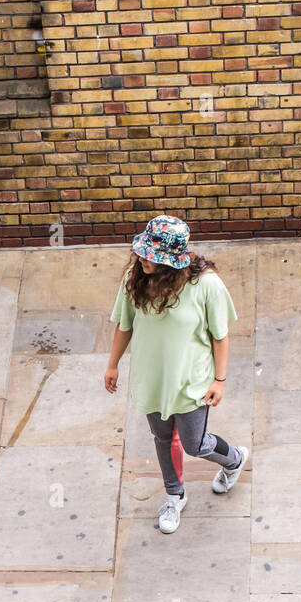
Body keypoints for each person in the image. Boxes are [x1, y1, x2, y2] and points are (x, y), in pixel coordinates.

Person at [103, 215, 249, 534]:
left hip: (192, 382)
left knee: (195, 444)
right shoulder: (135, 276)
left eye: (151, 255)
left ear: (170, 260)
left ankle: (234, 459)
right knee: (163, 438)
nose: (142, 258)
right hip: (152, 378)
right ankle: (174, 495)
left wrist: (219, 380)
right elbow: (124, 324)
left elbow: (220, 336)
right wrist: (113, 363)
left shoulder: (206, 284)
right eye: (143, 252)